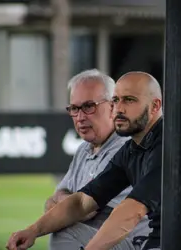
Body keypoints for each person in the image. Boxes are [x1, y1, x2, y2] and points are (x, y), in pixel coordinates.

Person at [6, 71, 163, 250]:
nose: (119, 109)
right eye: (116, 100)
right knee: (65, 230)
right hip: (155, 241)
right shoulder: (132, 149)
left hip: (171, 242)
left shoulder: (167, 144)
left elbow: (132, 212)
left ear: (155, 106)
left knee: (67, 231)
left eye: (129, 100)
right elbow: (82, 202)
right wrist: (33, 230)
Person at [44, 69, 151, 249]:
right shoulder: (83, 150)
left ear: (112, 107)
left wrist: (70, 206)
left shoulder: (126, 147)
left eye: (88, 106)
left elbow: (86, 210)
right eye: (74, 109)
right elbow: (52, 203)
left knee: (64, 233)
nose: (80, 117)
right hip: (98, 240)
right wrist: (70, 205)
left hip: (134, 243)